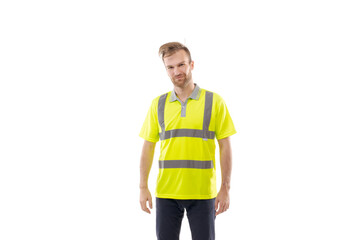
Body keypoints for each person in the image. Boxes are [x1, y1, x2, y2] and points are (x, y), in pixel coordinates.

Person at [139, 42, 236, 240]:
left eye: (181, 65)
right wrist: (143, 187)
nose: (177, 71)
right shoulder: (158, 104)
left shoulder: (214, 101)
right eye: (170, 67)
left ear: (191, 65)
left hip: (203, 193)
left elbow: (225, 146)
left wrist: (225, 188)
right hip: (167, 192)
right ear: (166, 70)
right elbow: (148, 147)